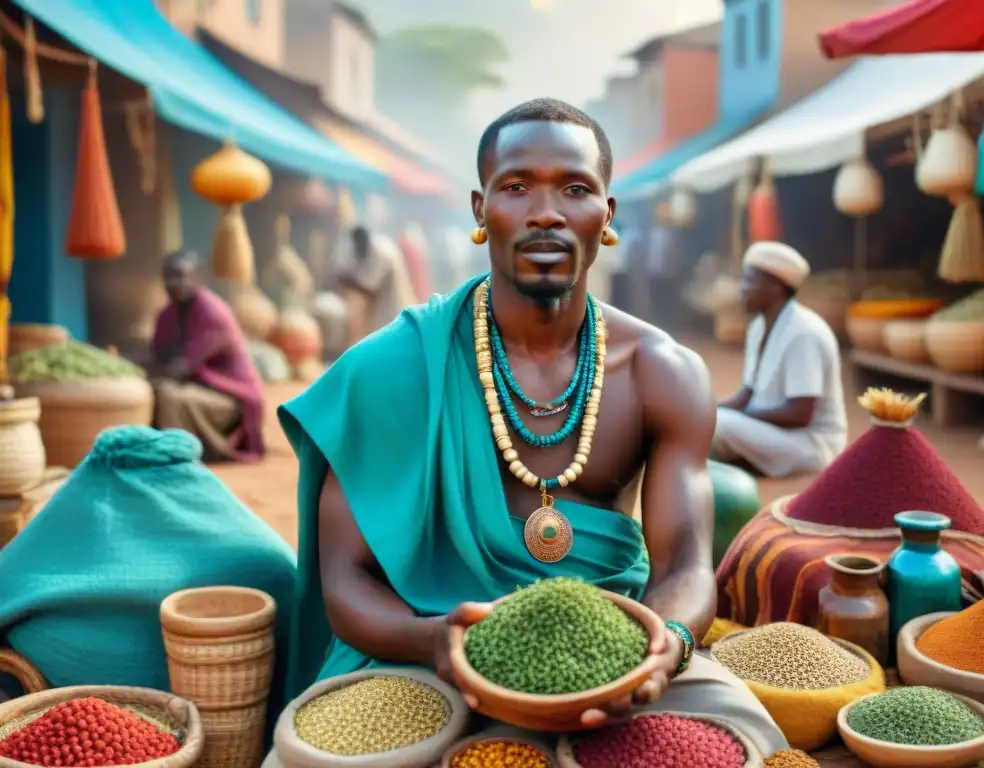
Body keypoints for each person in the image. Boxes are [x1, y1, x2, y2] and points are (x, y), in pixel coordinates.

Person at [277, 98, 787, 755]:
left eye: (574, 189)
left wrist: (668, 644)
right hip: (427, 657)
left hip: (615, 654)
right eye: (516, 187)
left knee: (752, 736)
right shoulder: (390, 369)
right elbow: (344, 579)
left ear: (606, 216)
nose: (544, 212)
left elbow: (686, 561)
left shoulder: (662, 373)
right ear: (480, 210)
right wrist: (433, 640)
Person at [713, 241, 847, 478]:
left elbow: (799, 415)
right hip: (775, 432)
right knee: (705, 420)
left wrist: (737, 417)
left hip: (811, 444)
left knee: (717, 427)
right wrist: (707, 408)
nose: (742, 288)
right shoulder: (757, 328)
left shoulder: (804, 332)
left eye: (750, 281)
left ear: (777, 286)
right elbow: (747, 395)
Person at [150, 249, 265, 462]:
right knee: (158, 390)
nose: (173, 283)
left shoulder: (212, 313)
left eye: (180, 276)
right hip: (196, 388)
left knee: (166, 394)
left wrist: (141, 378)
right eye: (168, 277)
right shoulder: (167, 314)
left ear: (197, 279)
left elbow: (180, 368)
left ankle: (177, 456)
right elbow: (156, 355)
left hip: (230, 398)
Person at [336, 225, 417, 346]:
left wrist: (349, 282)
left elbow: (370, 288)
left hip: (392, 310)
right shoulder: (368, 248)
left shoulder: (380, 250)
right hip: (382, 313)